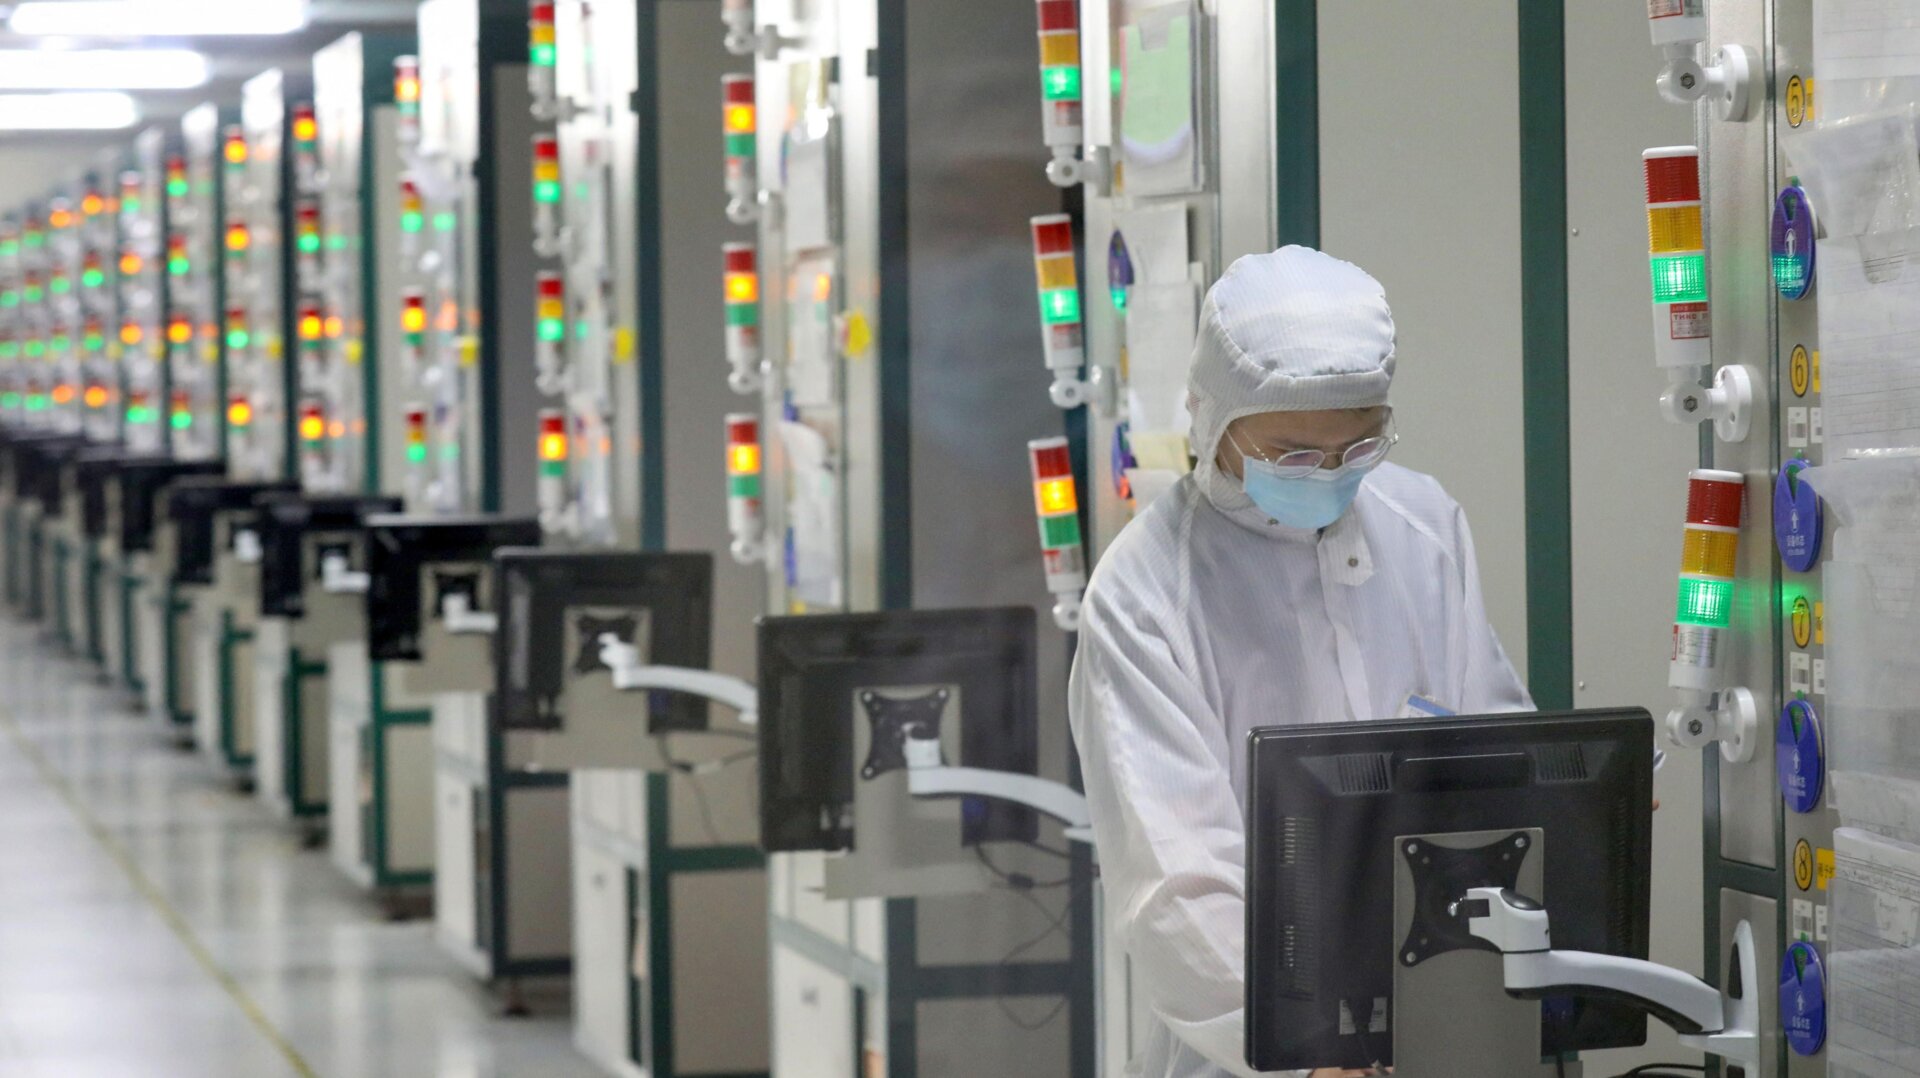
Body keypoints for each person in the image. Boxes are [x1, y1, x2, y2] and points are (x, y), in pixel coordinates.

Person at [1068, 246, 1532, 1078]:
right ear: (1212, 421)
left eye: (1355, 451)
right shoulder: (1146, 596)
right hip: (1255, 1056)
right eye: (1289, 454)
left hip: (1447, 1017)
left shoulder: (1422, 526)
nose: (1325, 476)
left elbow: (1498, 750)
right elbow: (1179, 885)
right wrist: (1309, 1044)